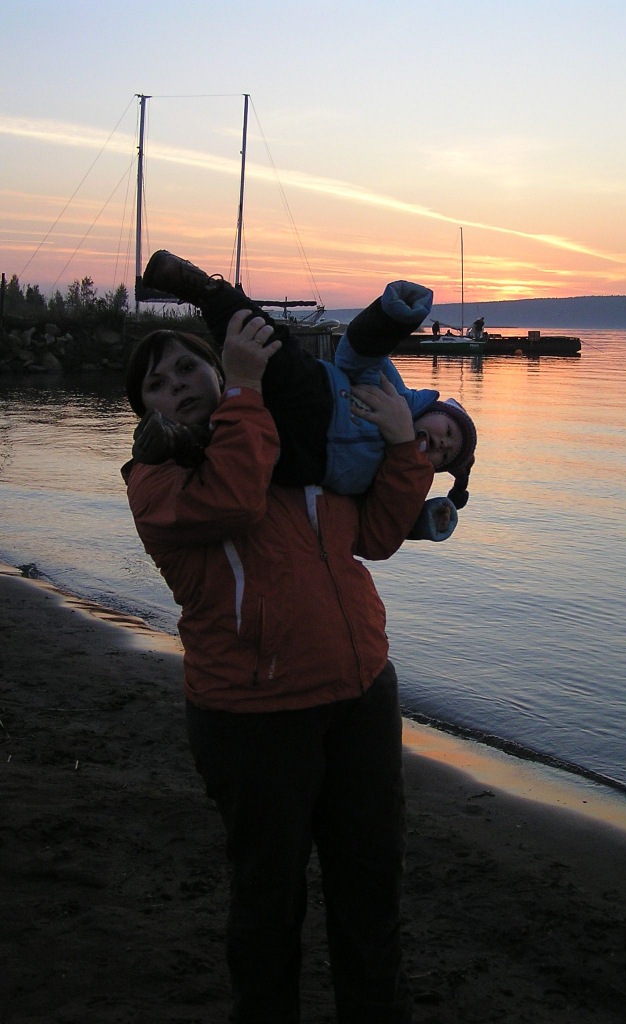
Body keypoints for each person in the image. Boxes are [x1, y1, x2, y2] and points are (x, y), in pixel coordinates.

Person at [121, 313, 436, 1023]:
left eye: (188, 368)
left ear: (214, 369)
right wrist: (243, 390)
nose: (177, 386)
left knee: (371, 889)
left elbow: (378, 535)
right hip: (253, 717)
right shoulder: (157, 479)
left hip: (361, 693)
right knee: (269, 898)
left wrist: (402, 444)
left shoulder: (293, 443)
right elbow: (236, 498)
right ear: (145, 411)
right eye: (158, 385)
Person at [136, 251, 477, 537]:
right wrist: (391, 318)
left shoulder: (399, 470)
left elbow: (380, 515)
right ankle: (209, 292)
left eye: (445, 455)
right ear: (436, 409)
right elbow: (359, 353)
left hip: (307, 462)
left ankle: (181, 441)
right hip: (320, 396)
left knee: (248, 452)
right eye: (448, 432)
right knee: (273, 347)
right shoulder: (393, 393)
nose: (441, 443)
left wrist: (425, 519)